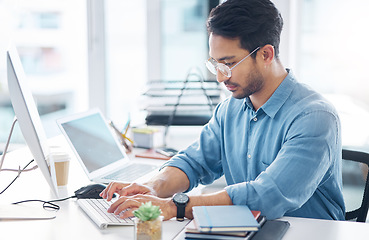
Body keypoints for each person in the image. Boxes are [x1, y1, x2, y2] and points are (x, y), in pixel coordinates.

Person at [100, 0, 345, 221]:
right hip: (243, 228)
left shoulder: (314, 117)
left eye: (228, 64)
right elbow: (194, 163)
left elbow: (267, 197)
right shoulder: (231, 109)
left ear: (266, 54)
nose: (219, 77)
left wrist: (175, 207)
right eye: (215, 64)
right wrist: (153, 187)